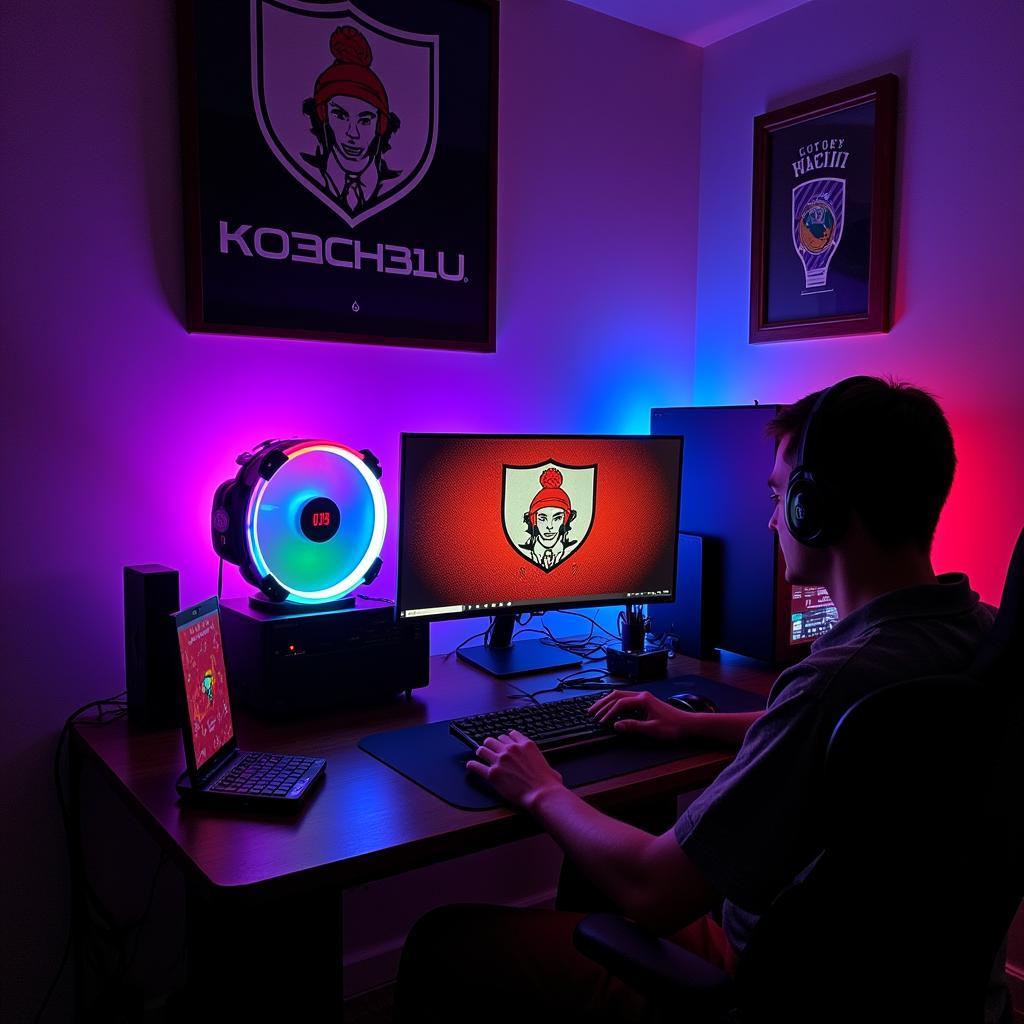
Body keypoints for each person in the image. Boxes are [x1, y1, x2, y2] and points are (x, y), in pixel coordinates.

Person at [394, 376, 1009, 1022]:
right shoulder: (982, 631)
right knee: (606, 850)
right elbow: (859, 746)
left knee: (443, 941)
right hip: (917, 986)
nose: (771, 519)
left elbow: (653, 890)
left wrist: (540, 787)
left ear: (814, 509)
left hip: (770, 987)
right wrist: (693, 725)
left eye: (778, 496)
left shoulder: (832, 681)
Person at [301, 25, 402, 215]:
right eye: (340, 116)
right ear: (324, 116)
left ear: (379, 125)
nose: (352, 133)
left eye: (364, 120)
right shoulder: (306, 175)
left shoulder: (393, 186)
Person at [520, 468, 579, 571]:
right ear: (534, 520)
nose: (550, 526)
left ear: (565, 520)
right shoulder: (524, 552)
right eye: (542, 518)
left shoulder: (572, 550)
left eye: (557, 518)